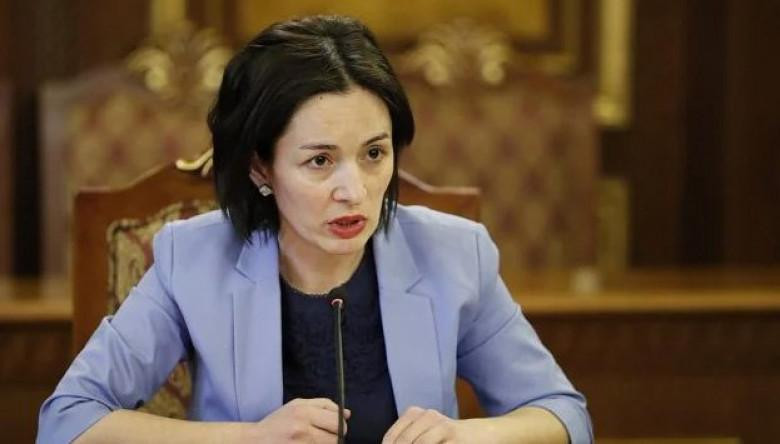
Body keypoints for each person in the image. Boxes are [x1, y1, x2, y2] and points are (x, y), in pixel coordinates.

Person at [38, 15, 592, 444]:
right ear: (261, 167)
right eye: (320, 161)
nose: (355, 190)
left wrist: (467, 435)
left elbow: (564, 415)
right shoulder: (193, 258)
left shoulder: (454, 253)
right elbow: (67, 421)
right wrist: (248, 439)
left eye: (374, 153)